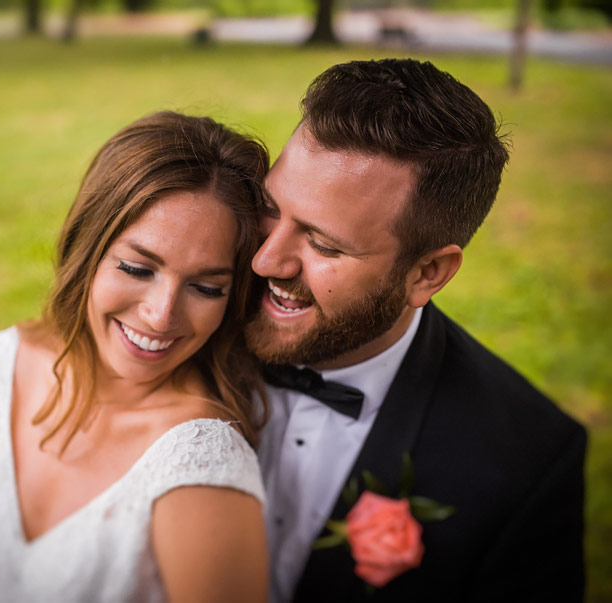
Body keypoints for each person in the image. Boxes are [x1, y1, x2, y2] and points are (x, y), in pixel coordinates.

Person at [250, 59, 586, 602]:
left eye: (324, 245)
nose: (266, 261)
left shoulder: (527, 464)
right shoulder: (176, 327)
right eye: (269, 208)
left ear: (427, 273)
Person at [0, 111, 271, 602]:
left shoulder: (199, 467)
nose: (160, 314)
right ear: (87, 246)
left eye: (205, 287)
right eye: (136, 267)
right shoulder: (13, 364)